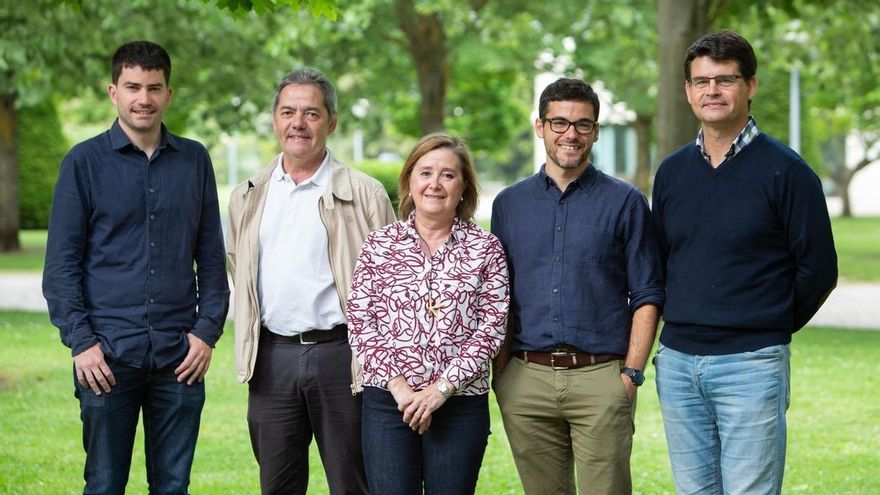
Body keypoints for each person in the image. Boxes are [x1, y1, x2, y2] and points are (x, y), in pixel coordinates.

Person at [651, 30, 838, 495]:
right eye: (700, 81)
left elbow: (819, 269)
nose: (711, 90)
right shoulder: (671, 173)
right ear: (688, 91)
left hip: (751, 365)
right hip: (677, 364)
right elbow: (663, 260)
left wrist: (767, 324)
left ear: (750, 86)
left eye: (724, 79)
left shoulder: (788, 173)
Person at [42, 41, 229, 494]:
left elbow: (211, 258)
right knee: (104, 485)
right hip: (105, 358)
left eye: (153, 87)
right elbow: (61, 267)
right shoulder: (82, 163)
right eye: (132, 87)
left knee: (172, 487)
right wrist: (82, 343)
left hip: (178, 359)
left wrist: (205, 334)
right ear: (113, 92)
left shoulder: (195, 161)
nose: (142, 98)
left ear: (168, 94)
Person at [490, 78, 665, 495]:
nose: (571, 134)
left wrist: (631, 374)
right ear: (540, 126)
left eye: (583, 125)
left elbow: (647, 293)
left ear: (596, 131)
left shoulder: (625, 202)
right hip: (525, 379)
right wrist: (502, 372)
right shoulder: (509, 205)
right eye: (560, 122)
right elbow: (497, 294)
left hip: (600, 379)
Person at [226, 67, 394, 495]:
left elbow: (395, 281)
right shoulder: (247, 195)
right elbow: (238, 268)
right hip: (272, 359)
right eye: (288, 112)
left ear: (331, 122)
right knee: (277, 485)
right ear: (275, 120)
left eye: (311, 113)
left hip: (343, 358)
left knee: (354, 484)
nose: (298, 123)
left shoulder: (365, 193)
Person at [347, 131, 509, 494]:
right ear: (409, 180)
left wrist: (440, 390)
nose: (435, 184)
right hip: (389, 403)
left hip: (460, 404)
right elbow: (361, 321)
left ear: (464, 186)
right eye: (425, 173)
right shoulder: (379, 244)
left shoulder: (486, 249)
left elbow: (491, 329)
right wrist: (401, 390)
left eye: (448, 175)